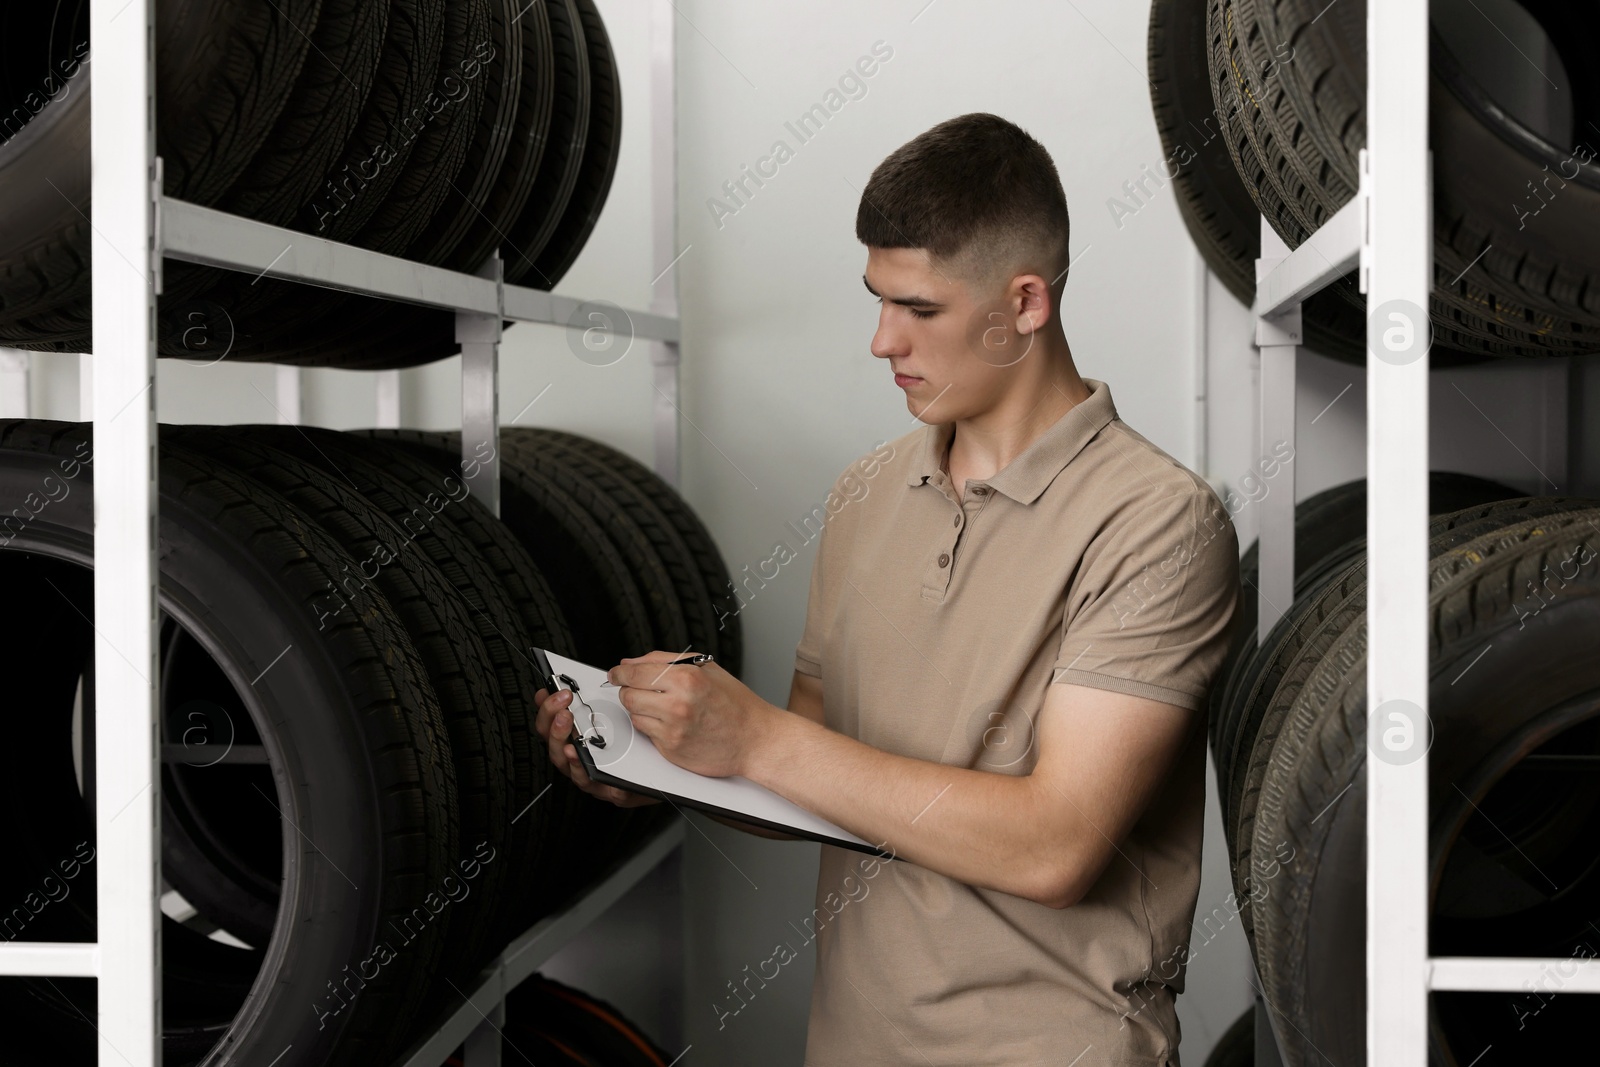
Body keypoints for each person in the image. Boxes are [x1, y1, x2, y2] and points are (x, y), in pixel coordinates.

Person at [534, 112, 1240, 1066]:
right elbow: (809, 777)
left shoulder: (1159, 522)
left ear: (1025, 303)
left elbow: (1055, 845)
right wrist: (653, 763)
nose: (880, 340)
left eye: (919, 308)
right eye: (876, 299)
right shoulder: (866, 492)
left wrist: (758, 735)